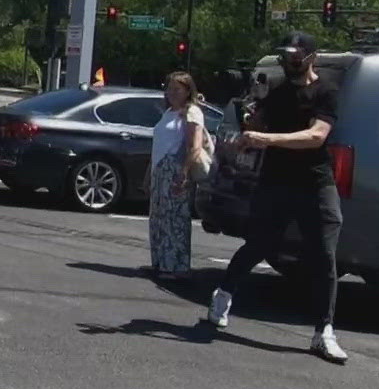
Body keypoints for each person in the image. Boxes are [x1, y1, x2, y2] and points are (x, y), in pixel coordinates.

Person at [207, 32, 349, 364]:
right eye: (285, 57)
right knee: (259, 244)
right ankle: (223, 293)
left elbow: (316, 137)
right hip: (276, 181)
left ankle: (324, 332)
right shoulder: (278, 92)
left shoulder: (325, 91)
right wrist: (250, 116)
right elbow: (254, 126)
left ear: (311, 57)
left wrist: (265, 137)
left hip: (316, 182)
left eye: (295, 57)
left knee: (324, 256)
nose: (289, 62)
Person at [148, 71, 208, 282]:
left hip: (175, 168)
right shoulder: (169, 112)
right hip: (160, 170)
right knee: (160, 219)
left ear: (187, 91)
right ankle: (161, 261)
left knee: (175, 220)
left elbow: (194, 146)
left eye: (177, 89)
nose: (172, 93)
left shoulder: (191, 113)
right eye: (170, 88)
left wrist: (183, 174)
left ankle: (176, 265)